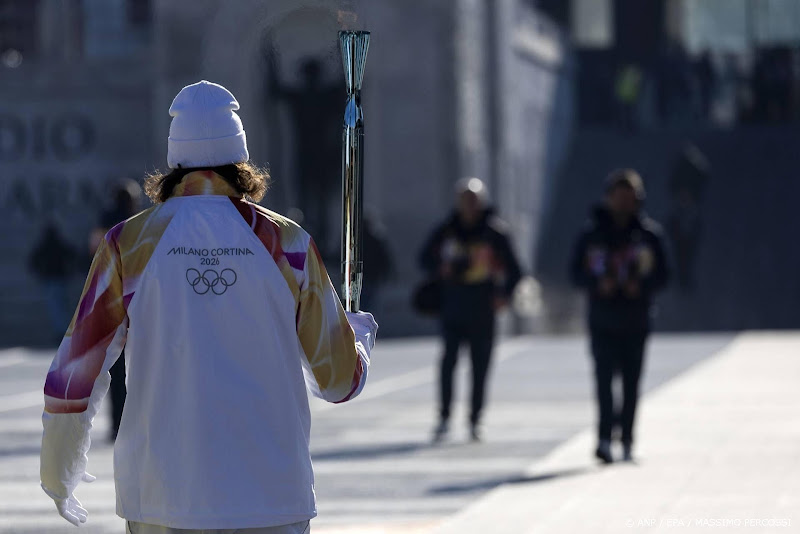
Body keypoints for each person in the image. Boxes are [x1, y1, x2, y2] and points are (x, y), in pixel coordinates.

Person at [40, 80, 378, 533]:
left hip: (163, 498)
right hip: (272, 498)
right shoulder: (288, 243)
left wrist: (58, 472)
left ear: (174, 160)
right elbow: (338, 381)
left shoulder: (128, 244)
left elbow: (74, 372)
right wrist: (358, 335)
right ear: (240, 158)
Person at [570, 169, 669, 463]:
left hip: (636, 319)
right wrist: (597, 284)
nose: (625, 203)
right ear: (608, 198)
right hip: (602, 319)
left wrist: (642, 286)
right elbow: (575, 273)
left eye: (631, 197)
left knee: (631, 382)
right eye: (620, 196)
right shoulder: (592, 235)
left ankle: (626, 438)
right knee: (603, 381)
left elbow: (664, 274)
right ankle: (603, 438)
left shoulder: (648, 235)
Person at [420, 178, 521, 443]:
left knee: (480, 365)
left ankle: (475, 418)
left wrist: (504, 295)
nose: (470, 206)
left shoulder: (495, 233)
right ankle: (444, 416)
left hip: (483, 307)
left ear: (482, 203)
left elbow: (515, 271)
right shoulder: (446, 231)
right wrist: (440, 268)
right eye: (465, 200)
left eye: (474, 201)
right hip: (452, 305)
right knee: (448, 362)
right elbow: (424, 258)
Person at [89, 179, 143, 441]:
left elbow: (94, 250)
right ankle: (138, 424)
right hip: (139, 295)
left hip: (112, 296)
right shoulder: (140, 221)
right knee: (146, 363)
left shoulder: (107, 220)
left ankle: (117, 424)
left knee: (115, 366)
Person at [28, 222, 77, 343]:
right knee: (60, 307)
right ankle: (63, 332)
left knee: (56, 307)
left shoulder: (46, 245)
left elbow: (33, 260)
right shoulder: (57, 244)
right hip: (57, 279)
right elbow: (72, 254)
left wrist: (41, 273)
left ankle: (61, 332)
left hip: (53, 279)